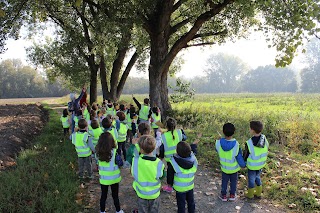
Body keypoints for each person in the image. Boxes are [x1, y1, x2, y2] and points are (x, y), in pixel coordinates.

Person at [131, 135, 164, 213]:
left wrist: (135, 145)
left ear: (141, 149)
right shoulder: (159, 163)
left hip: (142, 194)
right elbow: (161, 175)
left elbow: (135, 155)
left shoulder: (136, 161)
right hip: (155, 194)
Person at [215, 123, 246, 201]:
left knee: (224, 182)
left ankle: (223, 195)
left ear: (223, 131)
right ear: (234, 132)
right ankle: (232, 195)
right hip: (234, 169)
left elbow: (217, 150)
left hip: (224, 168)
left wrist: (220, 139)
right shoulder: (236, 144)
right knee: (233, 182)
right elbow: (238, 157)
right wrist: (243, 165)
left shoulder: (218, 143)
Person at [96, 132, 124, 213]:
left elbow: (98, 163)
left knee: (103, 196)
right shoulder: (115, 153)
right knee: (115, 196)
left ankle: (102, 211)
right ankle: (118, 210)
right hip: (114, 179)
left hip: (104, 179)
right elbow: (120, 163)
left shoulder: (98, 154)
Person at [170, 141, 198, 213]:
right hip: (190, 187)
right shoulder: (194, 161)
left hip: (179, 189)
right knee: (191, 203)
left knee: (181, 205)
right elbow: (193, 153)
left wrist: (170, 184)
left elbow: (170, 175)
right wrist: (193, 145)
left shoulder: (174, 162)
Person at [243, 121, 269, 199]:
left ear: (252, 130)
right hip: (261, 164)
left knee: (251, 180)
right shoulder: (265, 140)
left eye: (250, 128)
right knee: (257, 177)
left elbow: (245, 155)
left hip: (252, 166)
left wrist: (243, 163)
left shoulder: (249, 143)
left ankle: (250, 194)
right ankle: (258, 193)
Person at [161, 117, 187, 193]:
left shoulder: (164, 136)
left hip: (169, 158)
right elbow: (185, 138)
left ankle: (169, 186)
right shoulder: (179, 132)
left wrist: (161, 156)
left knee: (170, 172)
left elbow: (162, 148)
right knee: (178, 170)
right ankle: (179, 183)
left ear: (166, 126)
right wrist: (183, 131)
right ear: (175, 125)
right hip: (179, 156)